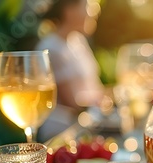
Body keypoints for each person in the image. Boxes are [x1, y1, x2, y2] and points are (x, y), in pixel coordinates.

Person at [35, 0, 104, 140]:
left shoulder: (78, 41)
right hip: (63, 132)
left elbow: (95, 88)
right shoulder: (51, 48)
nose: (94, 12)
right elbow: (72, 103)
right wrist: (106, 102)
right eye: (88, 7)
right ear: (69, 11)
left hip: (87, 122)